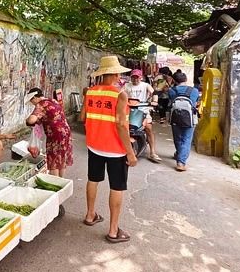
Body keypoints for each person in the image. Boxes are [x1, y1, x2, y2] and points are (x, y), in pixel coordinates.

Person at [80, 56, 137, 243]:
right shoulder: (120, 94)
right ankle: (113, 231)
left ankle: (90, 215)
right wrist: (130, 153)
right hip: (115, 149)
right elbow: (120, 125)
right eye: (118, 73)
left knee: (93, 180)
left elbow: (82, 118)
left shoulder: (90, 92)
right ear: (114, 74)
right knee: (117, 187)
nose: (119, 76)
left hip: (94, 145)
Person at [25, 87, 73, 177]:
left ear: (34, 98)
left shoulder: (41, 105)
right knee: (61, 158)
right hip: (66, 133)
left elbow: (31, 120)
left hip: (55, 135)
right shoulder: (53, 100)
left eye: (31, 101)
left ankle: (54, 182)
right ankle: (61, 181)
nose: (32, 103)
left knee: (53, 161)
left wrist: (27, 120)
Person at [125, 69, 161, 162]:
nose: (135, 79)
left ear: (141, 77)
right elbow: (120, 94)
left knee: (148, 127)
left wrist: (155, 101)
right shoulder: (126, 85)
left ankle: (152, 152)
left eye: (137, 77)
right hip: (129, 110)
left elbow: (154, 93)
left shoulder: (145, 85)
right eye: (133, 77)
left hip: (143, 110)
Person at [168, 71, 200, 172]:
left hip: (175, 117)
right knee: (186, 139)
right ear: (186, 79)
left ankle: (179, 154)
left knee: (178, 138)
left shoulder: (171, 90)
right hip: (190, 118)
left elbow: (171, 101)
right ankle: (181, 162)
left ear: (174, 80)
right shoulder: (194, 91)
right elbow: (195, 103)